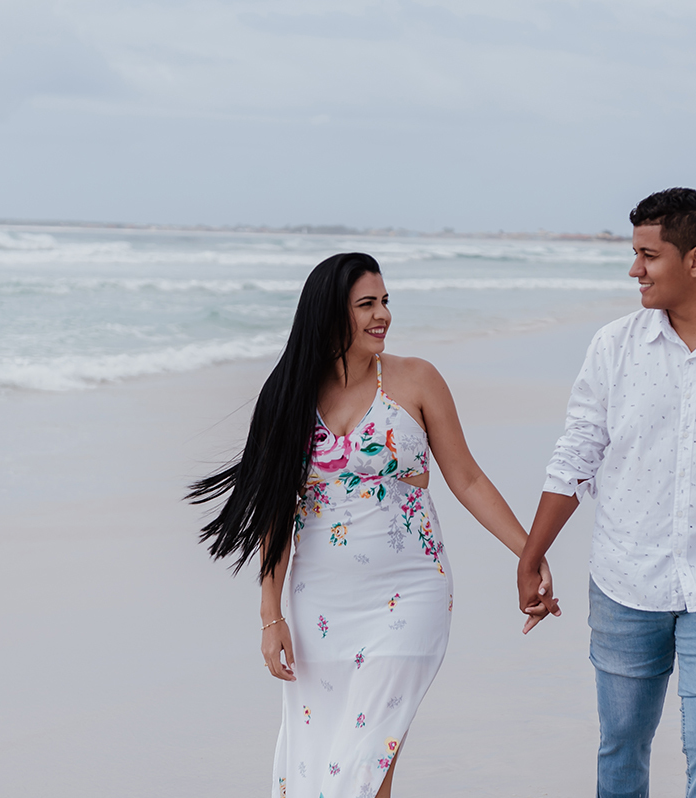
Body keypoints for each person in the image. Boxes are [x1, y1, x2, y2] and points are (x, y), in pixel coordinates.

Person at [190, 253, 557, 798]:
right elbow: (275, 513)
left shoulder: (417, 380)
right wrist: (270, 616)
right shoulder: (289, 397)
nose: (382, 314)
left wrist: (530, 553)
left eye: (385, 301)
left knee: (366, 758)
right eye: (367, 304)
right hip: (321, 608)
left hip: (410, 595)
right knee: (325, 764)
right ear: (330, 313)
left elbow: (467, 478)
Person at [516, 188, 696, 798]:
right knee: (623, 747)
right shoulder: (613, 347)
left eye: (648, 255)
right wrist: (531, 554)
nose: (635, 270)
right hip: (625, 580)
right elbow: (576, 455)